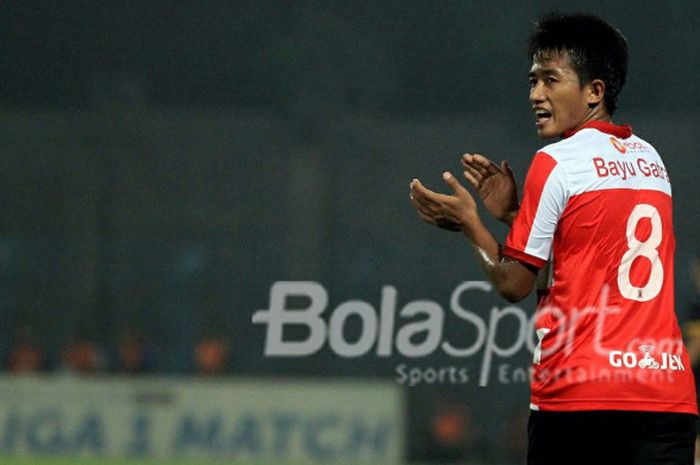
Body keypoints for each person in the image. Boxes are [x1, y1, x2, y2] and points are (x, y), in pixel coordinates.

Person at [410, 12, 697, 465]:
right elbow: (586, 259)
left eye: (550, 79)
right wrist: (513, 216)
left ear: (594, 91)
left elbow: (514, 285)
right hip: (665, 398)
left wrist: (472, 224)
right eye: (532, 81)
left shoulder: (557, 161)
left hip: (580, 398)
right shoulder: (651, 160)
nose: (535, 95)